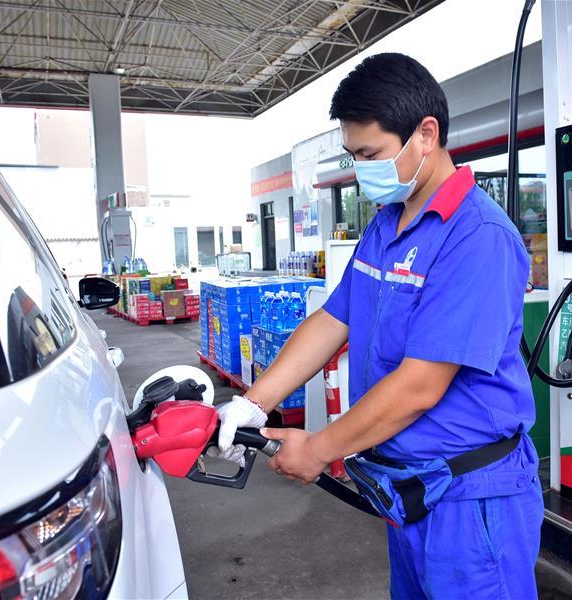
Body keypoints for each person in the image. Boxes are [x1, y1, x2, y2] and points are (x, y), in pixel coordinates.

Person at [216, 53, 543, 599]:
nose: (361, 170)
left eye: (370, 154)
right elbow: (332, 319)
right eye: (353, 155)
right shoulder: (388, 225)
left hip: (472, 500)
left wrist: (319, 449)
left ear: (426, 134)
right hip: (408, 489)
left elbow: (420, 385)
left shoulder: (477, 236)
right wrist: (254, 401)